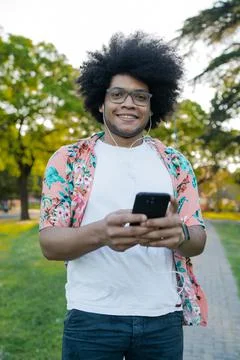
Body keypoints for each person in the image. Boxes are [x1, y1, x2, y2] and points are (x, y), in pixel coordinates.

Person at [39, 31, 208, 360]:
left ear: (151, 105)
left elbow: (198, 240)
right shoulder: (68, 161)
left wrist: (180, 234)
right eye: (118, 94)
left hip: (163, 319)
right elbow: (49, 244)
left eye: (140, 97)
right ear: (101, 102)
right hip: (91, 319)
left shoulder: (175, 163)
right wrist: (102, 233)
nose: (129, 104)